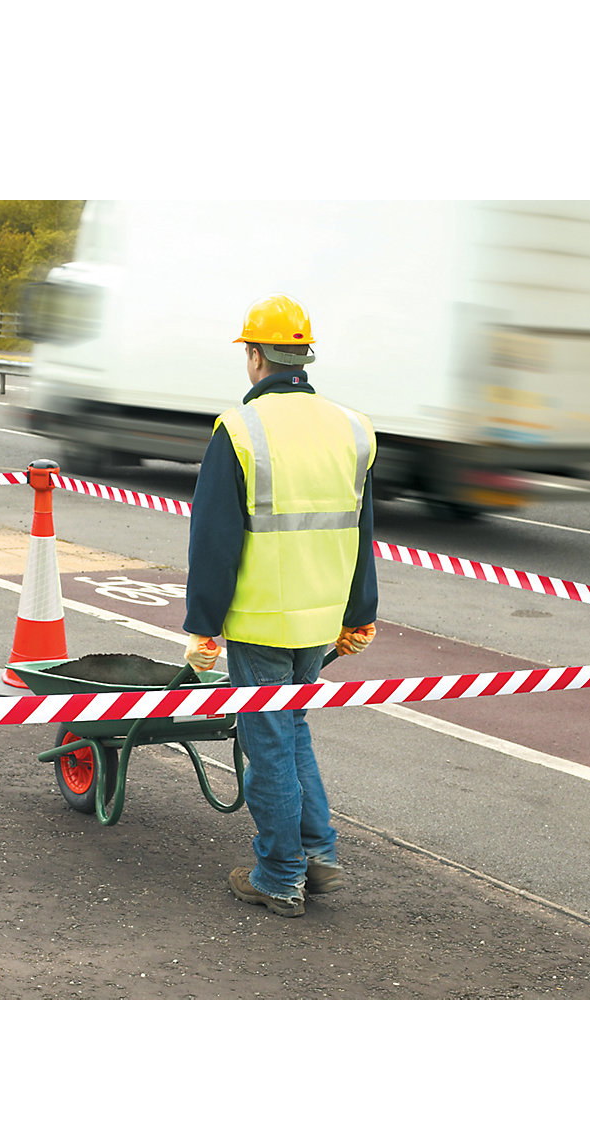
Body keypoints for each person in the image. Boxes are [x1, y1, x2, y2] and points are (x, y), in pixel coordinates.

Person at [183, 293, 378, 917]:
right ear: (305, 357)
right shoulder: (352, 428)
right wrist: (358, 613)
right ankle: (319, 853)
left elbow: (214, 540)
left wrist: (203, 628)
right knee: (293, 730)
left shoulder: (239, 431)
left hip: (263, 617)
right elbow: (361, 527)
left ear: (255, 355)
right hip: (320, 618)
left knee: (266, 739)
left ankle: (280, 872)